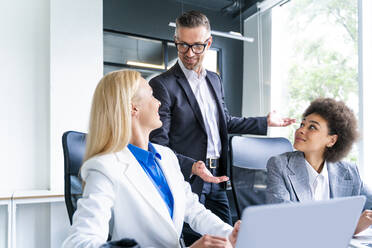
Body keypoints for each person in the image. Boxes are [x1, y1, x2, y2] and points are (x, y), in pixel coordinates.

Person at [149, 10, 295, 244]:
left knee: (230, 240)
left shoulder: (214, 80)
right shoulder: (162, 85)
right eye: (182, 45)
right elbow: (158, 145)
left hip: (217, 177)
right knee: (195, 242)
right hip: (187, 180)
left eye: (197, 46)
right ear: (176, 40)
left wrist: (264, 122)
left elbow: (224, 123)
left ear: (208, 43)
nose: (189, 53)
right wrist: (192, 166)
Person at [62, 70, 240, 248]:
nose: (159, 102)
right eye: (152, 95)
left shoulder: (167, 157)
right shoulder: (105, 167)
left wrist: (230, 234)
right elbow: (79, 242)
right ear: (134, 108)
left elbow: (194, 211)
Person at [266, 98, 372, 234]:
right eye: (302, 124)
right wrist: (351, 228)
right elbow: (284, 219)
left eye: (312, 127)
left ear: (331, 140)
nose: (301, 130)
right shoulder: (279, 165)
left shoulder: (348, 171)